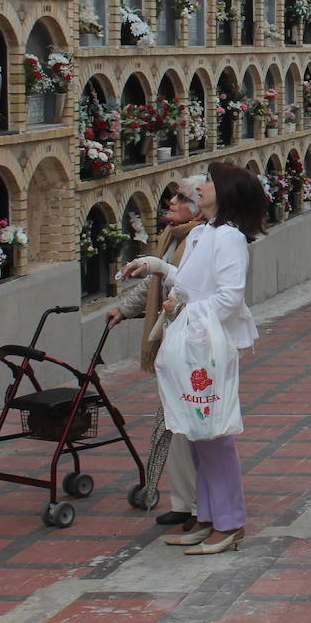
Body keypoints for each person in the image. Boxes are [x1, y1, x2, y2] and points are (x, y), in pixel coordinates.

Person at [122, 162, 266, 555]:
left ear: (227, 192)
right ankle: (207, 517)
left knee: (214, 434)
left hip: (210, 346)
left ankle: (230, 523)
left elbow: (229, 296)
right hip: (194, 342)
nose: (201, 187)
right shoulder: (205, 232)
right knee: (197, 433)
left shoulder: (230, 238)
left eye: (209, 182)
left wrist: (189, 315)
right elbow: (193, 284)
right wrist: (157, 267)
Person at [106, 175, 206, 528]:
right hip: (171, 343)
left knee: (192, 426)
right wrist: (124, 308)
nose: (171, 204)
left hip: (194, 344)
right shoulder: (173, 238)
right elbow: (154, 282)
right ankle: (181, 500)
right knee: (174, 426)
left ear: (197, 206)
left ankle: (200, 506)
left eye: (179, 198)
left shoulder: (201, 239)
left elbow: (192, 286)